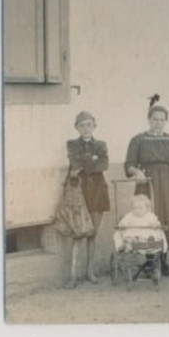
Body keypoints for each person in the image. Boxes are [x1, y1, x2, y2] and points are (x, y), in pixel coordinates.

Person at [125, 104, 169, 276]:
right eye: (155, 119)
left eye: (162, 120)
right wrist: (137, 171)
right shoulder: (138, 140)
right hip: (148, 185)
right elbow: (129, 165)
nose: (158, 123)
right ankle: (150, 262)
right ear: (148, 120)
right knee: (149, 221)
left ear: (166, 121)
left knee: (167, 221)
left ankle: (163, 262)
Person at [65, 110, 109, 287]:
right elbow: (75, 164)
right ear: (76, 127)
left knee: (92, 234)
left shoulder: (101, 144)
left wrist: (87, 162)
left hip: (98, 191)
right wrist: (92, 158)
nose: (86, 128)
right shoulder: (71, 144)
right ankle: (73, 275)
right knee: (77, 234)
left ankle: (90, 272)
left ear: (94, 126)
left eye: (89, 124)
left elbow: (103, 164)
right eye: (82, 125)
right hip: (79, 192)